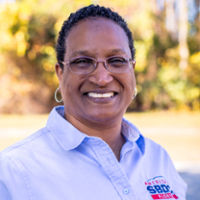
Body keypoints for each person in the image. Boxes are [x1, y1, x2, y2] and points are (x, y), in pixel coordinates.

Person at [0, 4, 187, 200]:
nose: (102, 78)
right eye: (82, 61)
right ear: (60, 73)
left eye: (116, 60)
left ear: (132, 70)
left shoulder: (157, 158)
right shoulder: (14, 172)